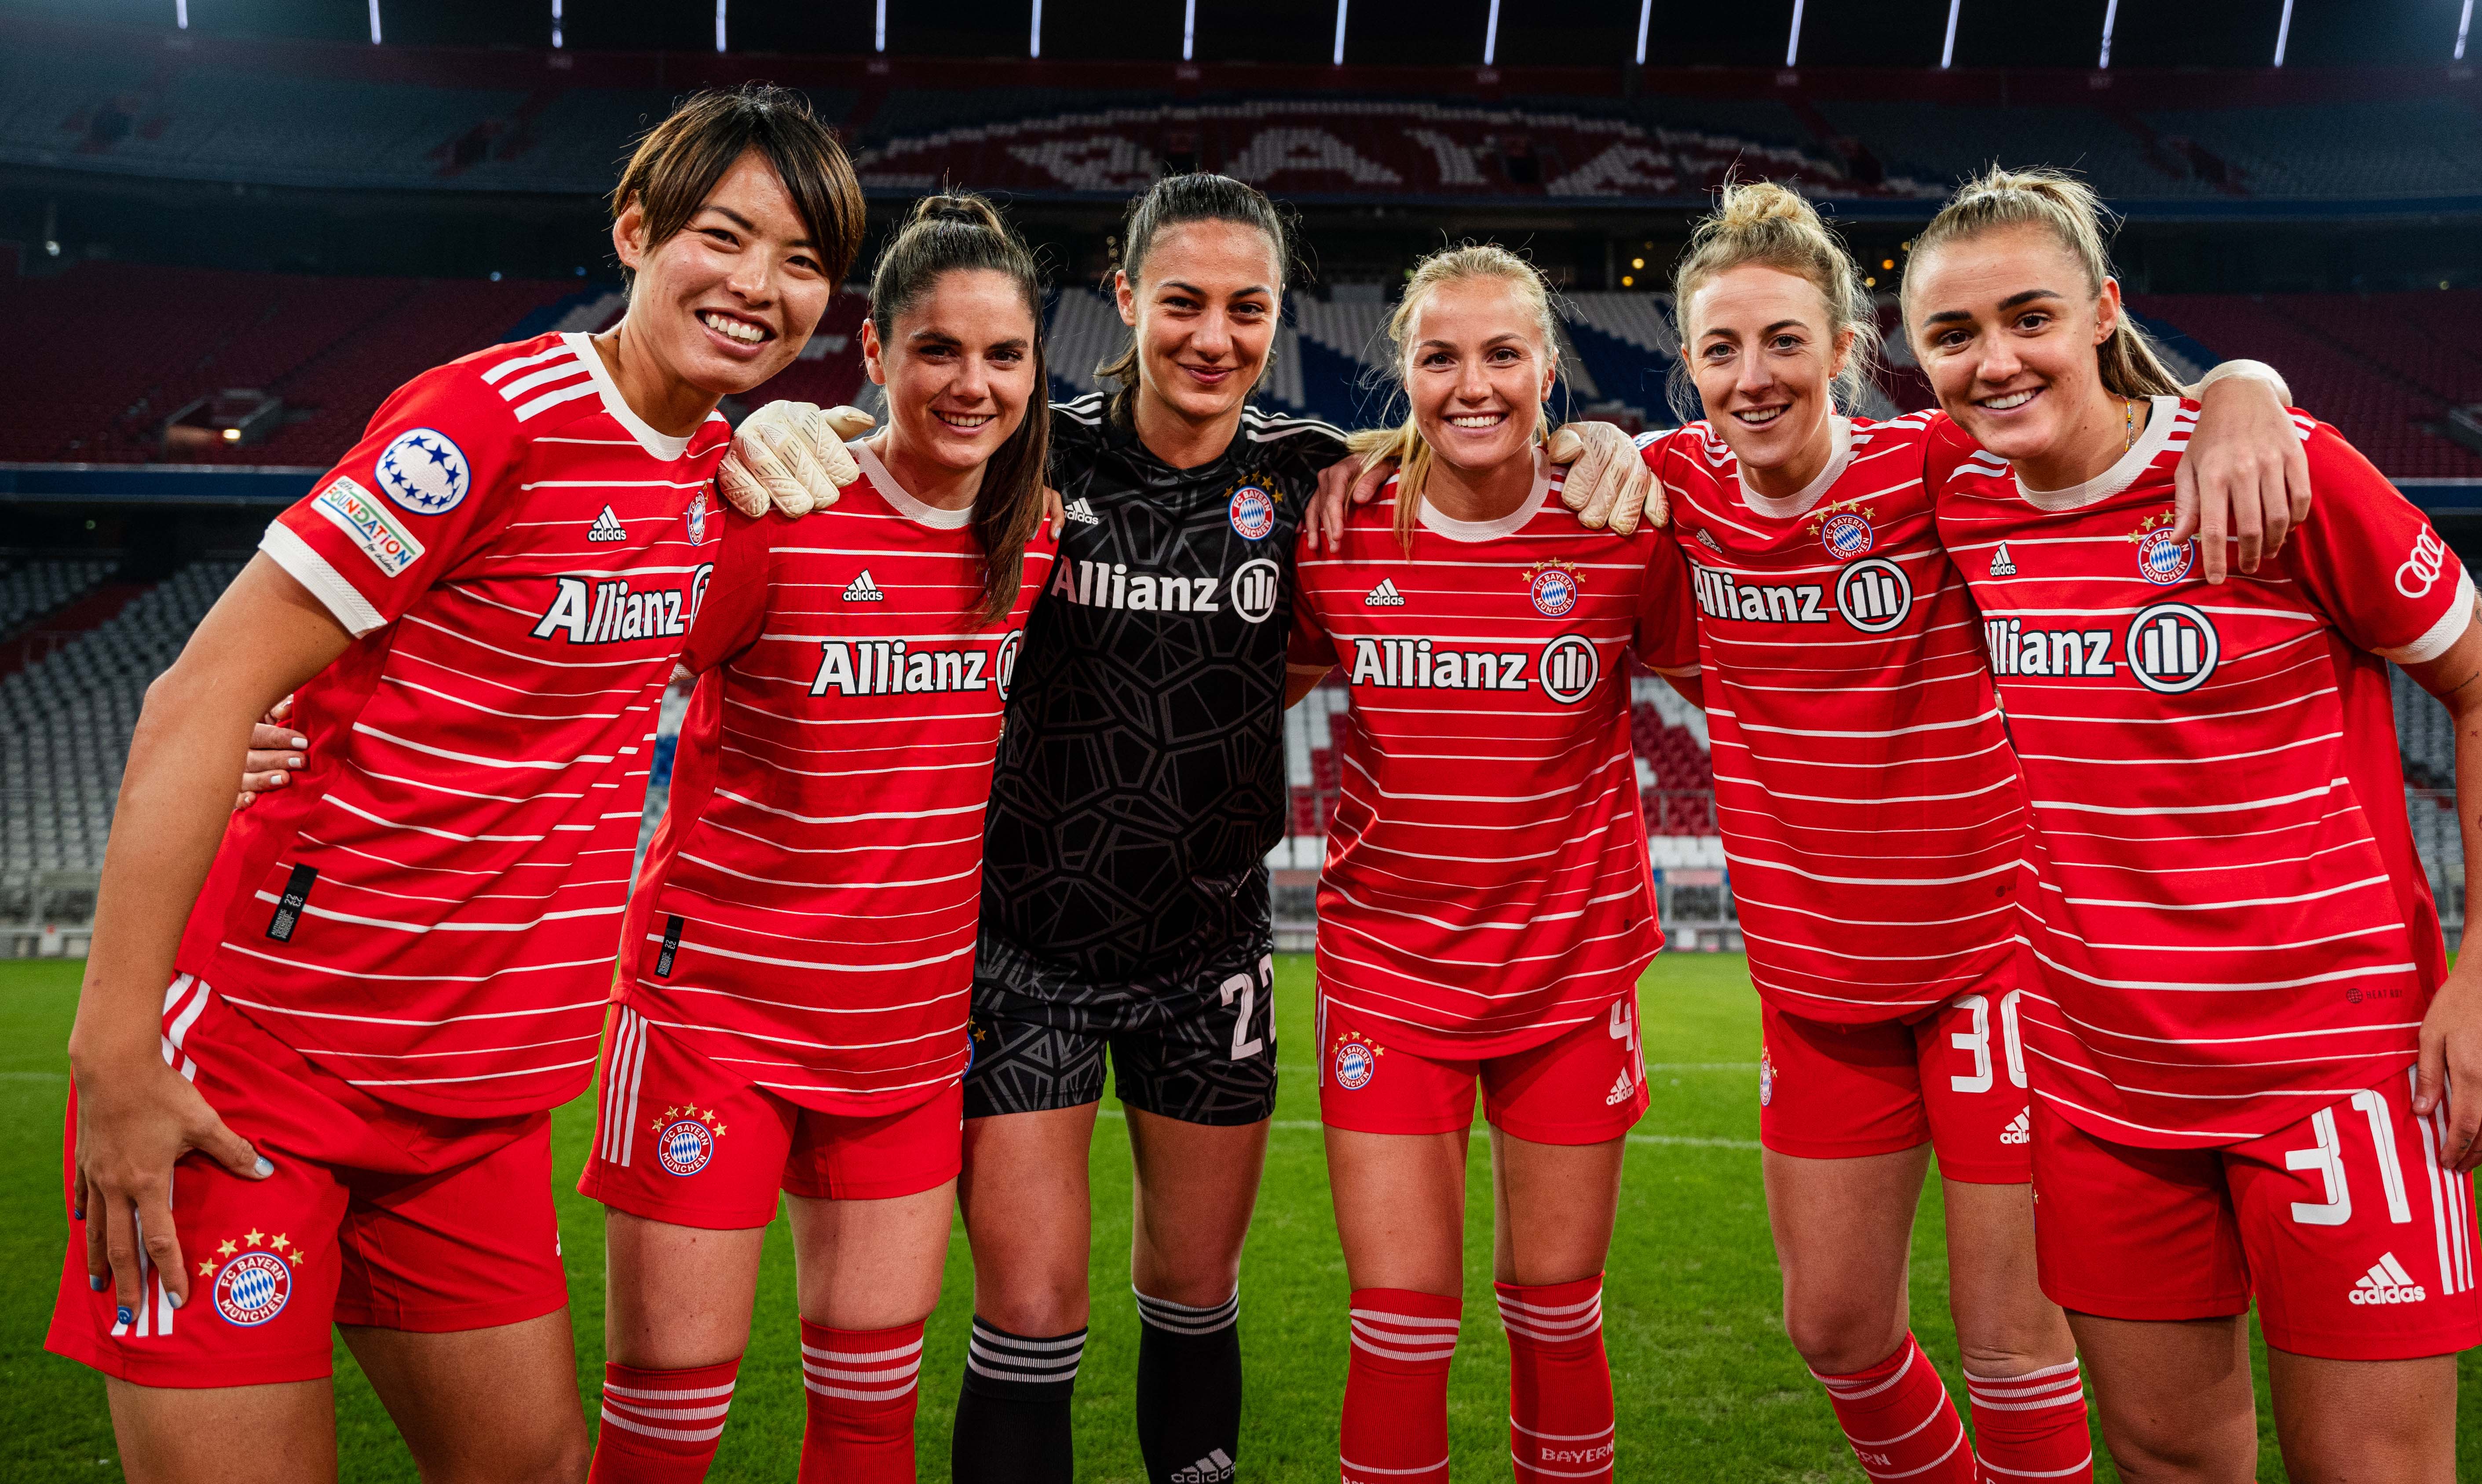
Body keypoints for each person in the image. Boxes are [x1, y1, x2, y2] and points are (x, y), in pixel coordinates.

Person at [52, 84, 862, 1484]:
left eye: (802, 262)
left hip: (475, 1109)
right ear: (633, 231)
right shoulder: (484, 420)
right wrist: (115, 1057)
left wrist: (828, 445)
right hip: (263, 1072)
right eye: (724, 237)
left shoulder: (718, 483)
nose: (758, 286)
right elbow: (197, 696)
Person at [941, 175, 1660, 1484]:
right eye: (1183, 304)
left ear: (1279, 319)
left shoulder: (1314, 476)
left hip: (1210, 951)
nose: (1213, 335)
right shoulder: (1036, 451)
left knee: (1195, 1294)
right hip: (1026, 948)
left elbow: (1470, 472)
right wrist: (812, 419)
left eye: (1247, 308)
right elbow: (902, 450)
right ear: (1125, 303)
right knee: (1032, 1312)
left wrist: (1604, 445)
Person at [1632, 181, 2307, 1484]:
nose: (1753, 374)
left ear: (1845, 348)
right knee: (1833, 1330)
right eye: (1720, 348)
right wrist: (1595, 443)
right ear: (1688, 369)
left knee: (2010, 1342)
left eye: (1784, 340)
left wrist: (2246, 381)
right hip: (1817, 983)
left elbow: (2113, 428)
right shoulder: (1671, 489)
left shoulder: (1937, 464)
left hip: (1990, 965)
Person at [1908, 167, 2482, 1483]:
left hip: (2337, 1077)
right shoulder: (1958, 498)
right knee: (2165, 1460)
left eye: (2029, 316)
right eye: (1952, 336)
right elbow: (1767, 458)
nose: (1995, 361)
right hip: (2099, 1085)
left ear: (2103, 314)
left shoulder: (2283, 470)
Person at [573, 193, 1057, 1484]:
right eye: (937, 351)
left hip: (904, 1044)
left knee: (867, 1429)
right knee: (665, 1429)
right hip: (712, 1025)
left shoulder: (1040, 537)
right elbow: (571, 652)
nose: (971, 383)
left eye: (1003, 355)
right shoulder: (778, 508)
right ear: (878, 358)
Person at [1284, 243, 1700, 1484]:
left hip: (1569, 981)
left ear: (1549, 369)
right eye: (1440, 356)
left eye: (1503, 353)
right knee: (1399, 1322)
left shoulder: (1624, 529)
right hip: (1387, 977)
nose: (1474, 384)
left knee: (1558, 1308)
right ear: (1402, 372)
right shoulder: (1340, 530)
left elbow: (1755, 670)